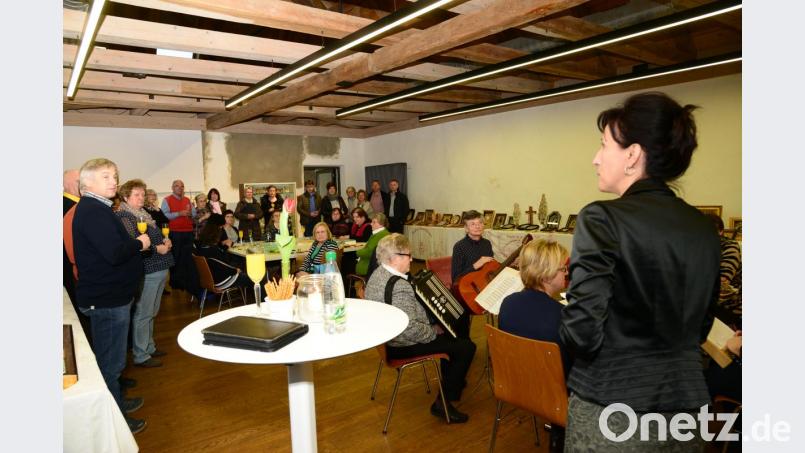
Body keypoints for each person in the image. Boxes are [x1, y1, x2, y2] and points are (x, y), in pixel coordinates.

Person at [559, 92, 720, 450]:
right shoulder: (706, 228)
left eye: (604, 146)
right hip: (686, 410)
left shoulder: (602, 218)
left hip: (614, 408)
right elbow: (702, 325)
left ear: (632, 155)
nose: (596, 158)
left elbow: (582, 334)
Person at [72, 158, 151, 434]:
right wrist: (139, 243)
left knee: (113, 361)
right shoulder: (93, 211)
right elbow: (115, 252)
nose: (114, 181)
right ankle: (114, 419)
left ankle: (116, 401)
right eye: (106, 176)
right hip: (107, 300)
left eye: (115, 176)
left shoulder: (97, 208)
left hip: (112, 297)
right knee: (110, 363)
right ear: (87, 183)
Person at [365, 234, 476, 423]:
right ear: (395, 258)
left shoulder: (377, 274)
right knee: (465, 346)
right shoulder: (399, 286)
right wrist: (434, 331)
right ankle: (443, 401)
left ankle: (452, 380)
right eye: (408, 255)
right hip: (400, 343)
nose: (411, 258)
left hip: (386, 337)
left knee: (453, 332)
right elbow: (409, 328)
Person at [498, 239, 571, 453]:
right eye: (562, 268)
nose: (566, 273)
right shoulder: (562, 315)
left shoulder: (508, 302)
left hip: (514, 385)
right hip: (553, 397)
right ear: (547, 274)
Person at [116, 179, 174, 368]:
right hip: (147, 270)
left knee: (152, 312)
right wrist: (159, 249)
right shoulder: (125, 217)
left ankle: (149, 346)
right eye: (136, 195)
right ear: (125, 197)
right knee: (143, 313)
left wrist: (166, 243)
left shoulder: (143, 214)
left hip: (158, 268)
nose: (141, 198)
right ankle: (141, 354)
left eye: (142, 194)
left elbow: (152, 239)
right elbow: (135, 246)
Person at [195, 218, 253, 298]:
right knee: (256, 277)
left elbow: (219, 263)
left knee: (239, 266)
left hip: (210, 280)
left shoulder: (202, 247)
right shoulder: (213, 250)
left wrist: (225, 247)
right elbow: (225, 264)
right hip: (223, 281)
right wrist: (236, 270)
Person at [705, 213, 742, 327]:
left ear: (721, 232)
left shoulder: (730, 246)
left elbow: (723, 281)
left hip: (732, 306)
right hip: (714, 302)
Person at [161, 179, 196, 293]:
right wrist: (179, 214)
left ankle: (186, 281)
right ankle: (175, 282)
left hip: (188, 231)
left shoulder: (187, 200)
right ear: (172, 188)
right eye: (177, 186)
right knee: (176, 257)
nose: (180, 188)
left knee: (187, 257)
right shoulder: (167, 200)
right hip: (175, 232)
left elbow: (194, 214)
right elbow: (165, 215)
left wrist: (191, 213)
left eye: (182, 186)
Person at [451, 210, 495, 282]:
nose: (478, 226)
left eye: (480, 223)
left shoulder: (487, 243)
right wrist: (476, 265)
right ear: (466, 228)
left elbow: (491, 268)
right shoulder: (459, 247)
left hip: (485, 282)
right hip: (469, 286)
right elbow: (456, 278)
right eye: (473, 224)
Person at [356, 213, 389, 277]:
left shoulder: (380, 235)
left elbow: (369, 252)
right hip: (373, 265)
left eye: (374, 222)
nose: (371, 224)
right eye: (371, 222)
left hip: (369, 267)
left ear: (381, 224)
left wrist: (358, 252)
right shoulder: (380, 233)